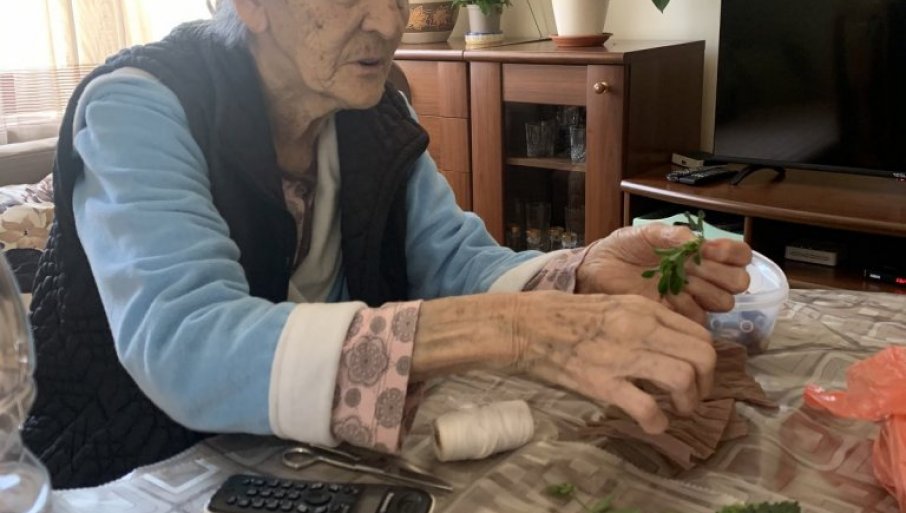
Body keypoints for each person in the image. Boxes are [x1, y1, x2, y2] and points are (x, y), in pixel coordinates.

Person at [23, 0, 752, 489]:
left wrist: (581, 271)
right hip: (132, 467)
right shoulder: (139, 105)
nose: (388, 18)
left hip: (301, 469)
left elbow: (455, 262)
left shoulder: (372, 108)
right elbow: (188, 343)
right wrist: (516, 329)